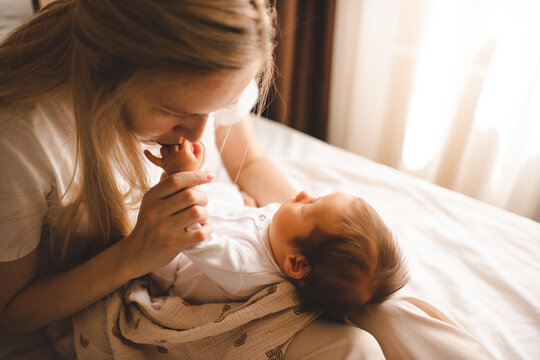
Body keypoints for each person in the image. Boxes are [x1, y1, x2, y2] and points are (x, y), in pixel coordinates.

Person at [0, 1, 385, 358]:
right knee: (356, 349)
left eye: (216, 110)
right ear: (108, 73)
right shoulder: (24, 137)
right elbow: (12, 313)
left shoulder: (221, 64)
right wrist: (132, 255)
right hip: (148, 286)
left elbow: (248, 163)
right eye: (175, 112)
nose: (200, 135)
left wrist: (319, 242)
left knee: (384, 310)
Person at [145, 141, 409, 320]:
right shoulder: (282, 236)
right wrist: (248, 209)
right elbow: (265, 217)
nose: (303, 193)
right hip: (222, 228)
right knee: (232, 196)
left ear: (295, 263)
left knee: (163, 235)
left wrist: (182, 174)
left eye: (308, 208)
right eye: (316, 197)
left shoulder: (245, 268)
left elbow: (195, 238)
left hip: (178, 269)